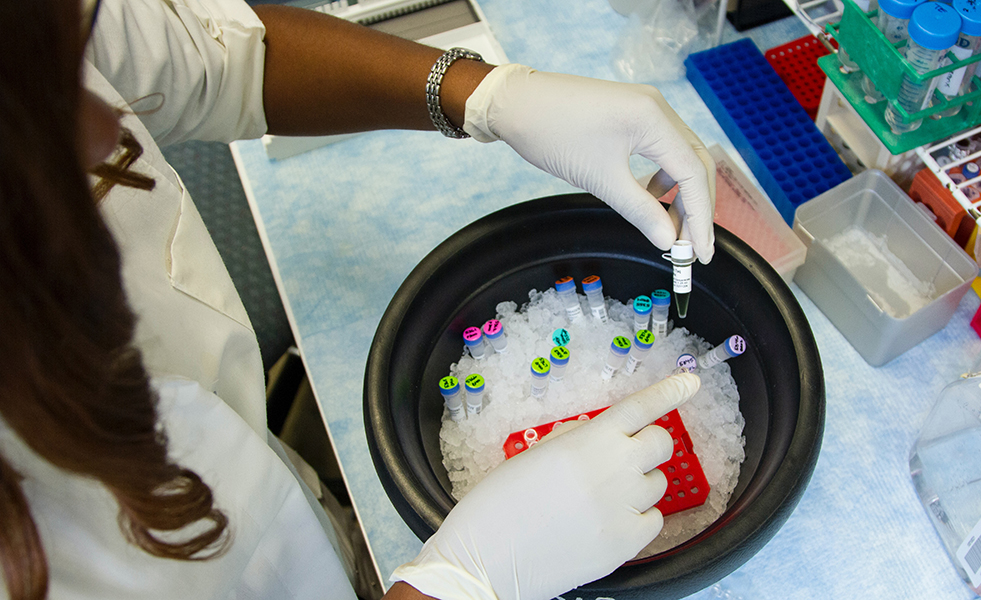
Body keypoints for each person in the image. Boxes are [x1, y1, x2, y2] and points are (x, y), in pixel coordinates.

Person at [0, 0, 713, 598]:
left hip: (266, 499)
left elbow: (221, 60)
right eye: (37, 116)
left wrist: (488, 94)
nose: (111, 126)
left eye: (73, 66)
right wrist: (464, 582)